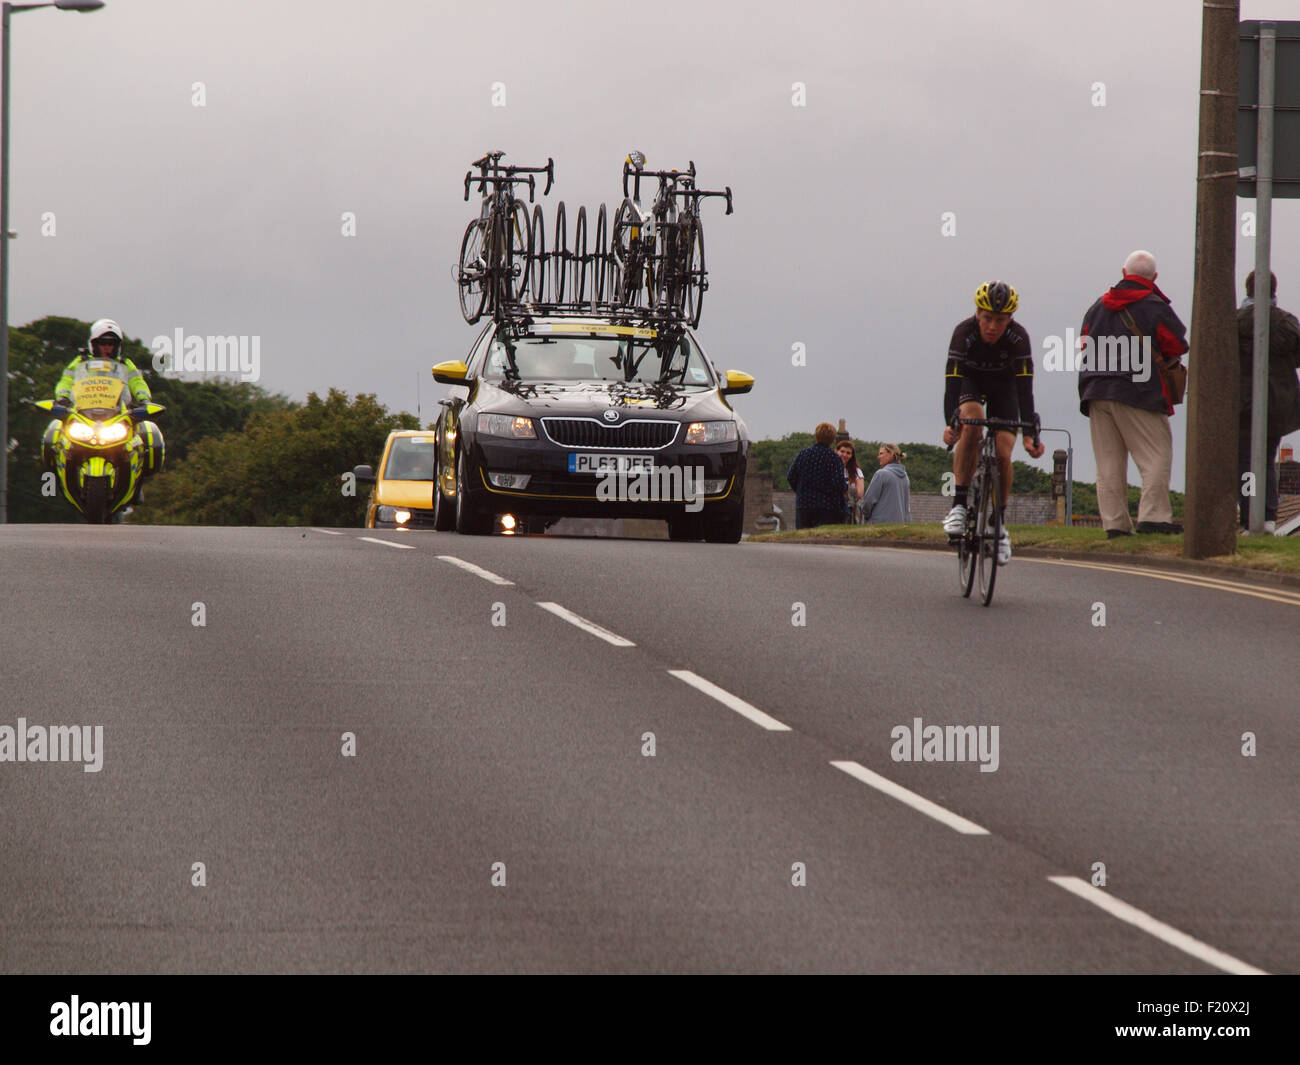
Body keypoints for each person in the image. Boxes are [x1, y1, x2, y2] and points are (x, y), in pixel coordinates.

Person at [1078, 251, 1188, 538]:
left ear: (1123, 272)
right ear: (1154, 278)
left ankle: (1115, 525)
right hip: (1140, 390)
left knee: (1108, 463)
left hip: (1096, 391)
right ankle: (1154, 518)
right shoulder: (1155, 306)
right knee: (1155, 457)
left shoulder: (1096, 308)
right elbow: (1175, 345)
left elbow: (1083, 345)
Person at [941, 281, 1044, 565]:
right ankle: (959, 505)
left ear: (1010, 319)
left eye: (1000, 321)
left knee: (1002, 453)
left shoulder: (1019, 338)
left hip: (1005, 387)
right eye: (987, 318)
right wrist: (951, 422)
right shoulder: (964, 333)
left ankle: (997, 525)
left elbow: (1025, 389)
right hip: (970, 382)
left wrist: (1029, 433)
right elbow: (952, 382)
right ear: (977, 313)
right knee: (972, 424)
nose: (992, 327)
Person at [1237, 270, 1300, 534]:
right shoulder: (1287, 323)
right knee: (1266, 459)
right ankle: (1270, 517)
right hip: (1277, 401)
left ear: (1247, 289)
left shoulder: (1234, 321)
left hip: (1242, 400)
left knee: (1244, 462)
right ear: (1274, 291)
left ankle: (1249, 517)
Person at [53, 319, 152, 408]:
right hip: (82, 411)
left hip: (118, 412)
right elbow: (66, 381)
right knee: (56, 425)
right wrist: (63, 398)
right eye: (102, 342)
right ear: (94, 344)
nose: (107, 346)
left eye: (112, 343)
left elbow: (137, 382)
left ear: (117, 346)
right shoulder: (81, 361)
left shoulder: (124, 363)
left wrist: (143, 399)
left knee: (148, 426)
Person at [787, 421, 850, 528]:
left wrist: (800, 491)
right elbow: (839, 484)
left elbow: (791, 476)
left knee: (803, 538)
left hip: (804, 504)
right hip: (827, 507)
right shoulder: (834, 458)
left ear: (816, 436)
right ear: (832, 439)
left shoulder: (804, 454)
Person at [862, 444, 911, 523]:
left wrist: (866, 516)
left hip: (878, 526)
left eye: (881, 453)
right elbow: (907, 508)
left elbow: (868, 501)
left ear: (891, 454)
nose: (878, 457)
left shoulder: (881, 474)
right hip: (900, 527)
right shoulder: (906, 477)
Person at [836, 439, 865, 518]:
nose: (844, 455)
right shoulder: (830, 468)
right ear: (836, 451)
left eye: (848, 453)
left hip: (851, 510)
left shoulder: (857, 472)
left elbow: (860, 493)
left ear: (852, 456)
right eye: (842, 451)